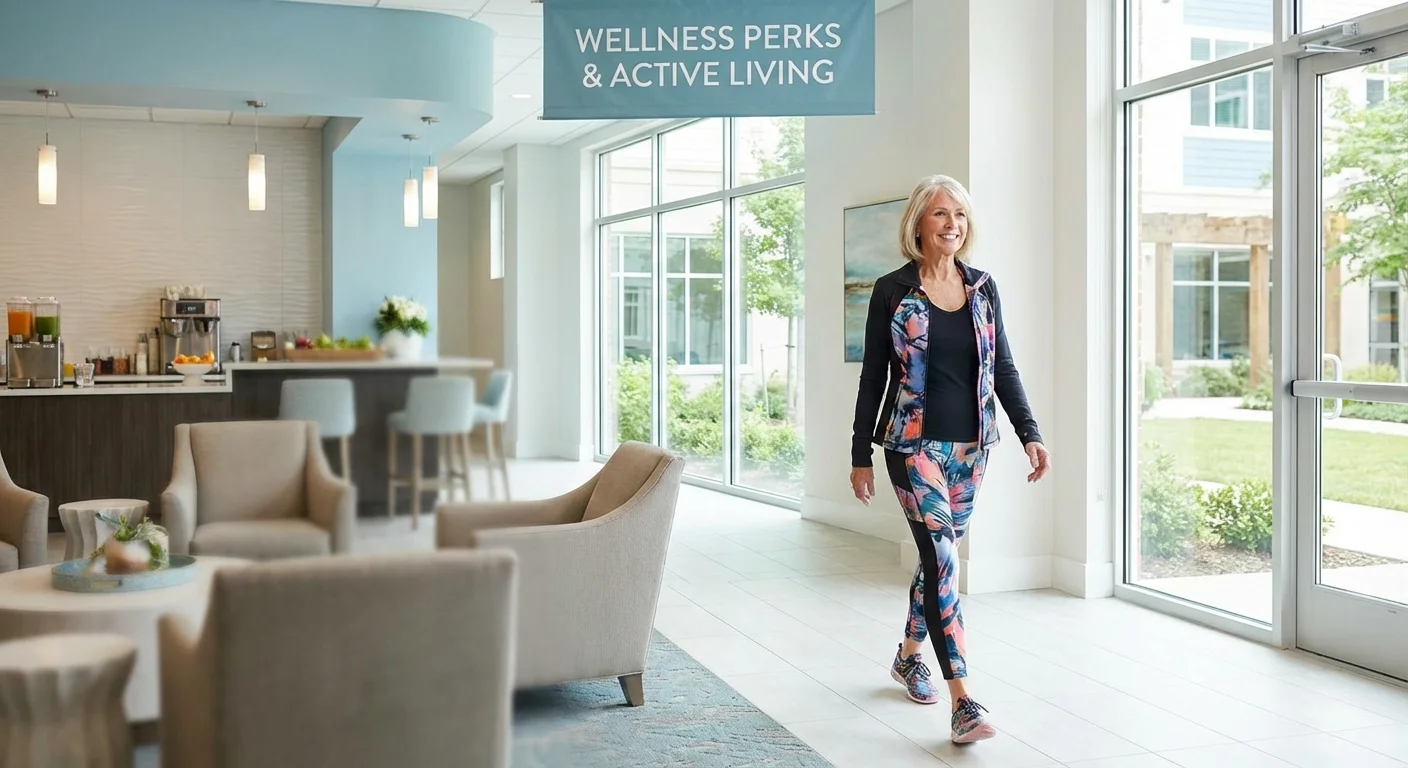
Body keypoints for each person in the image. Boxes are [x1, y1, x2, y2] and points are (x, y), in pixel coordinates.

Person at [848, 174, 1050, 744]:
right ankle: (963, 700)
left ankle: (909, 654)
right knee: (944, 560)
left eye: (959, 215)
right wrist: (860, 452)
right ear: (918, 223)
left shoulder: (983, 287)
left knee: (939, 560)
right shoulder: (892, 291)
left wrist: (1029, 431)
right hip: (912, 445)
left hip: (973, 446)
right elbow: (873, 378)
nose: (951, 225)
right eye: (939, 214)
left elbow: (1002, 366)